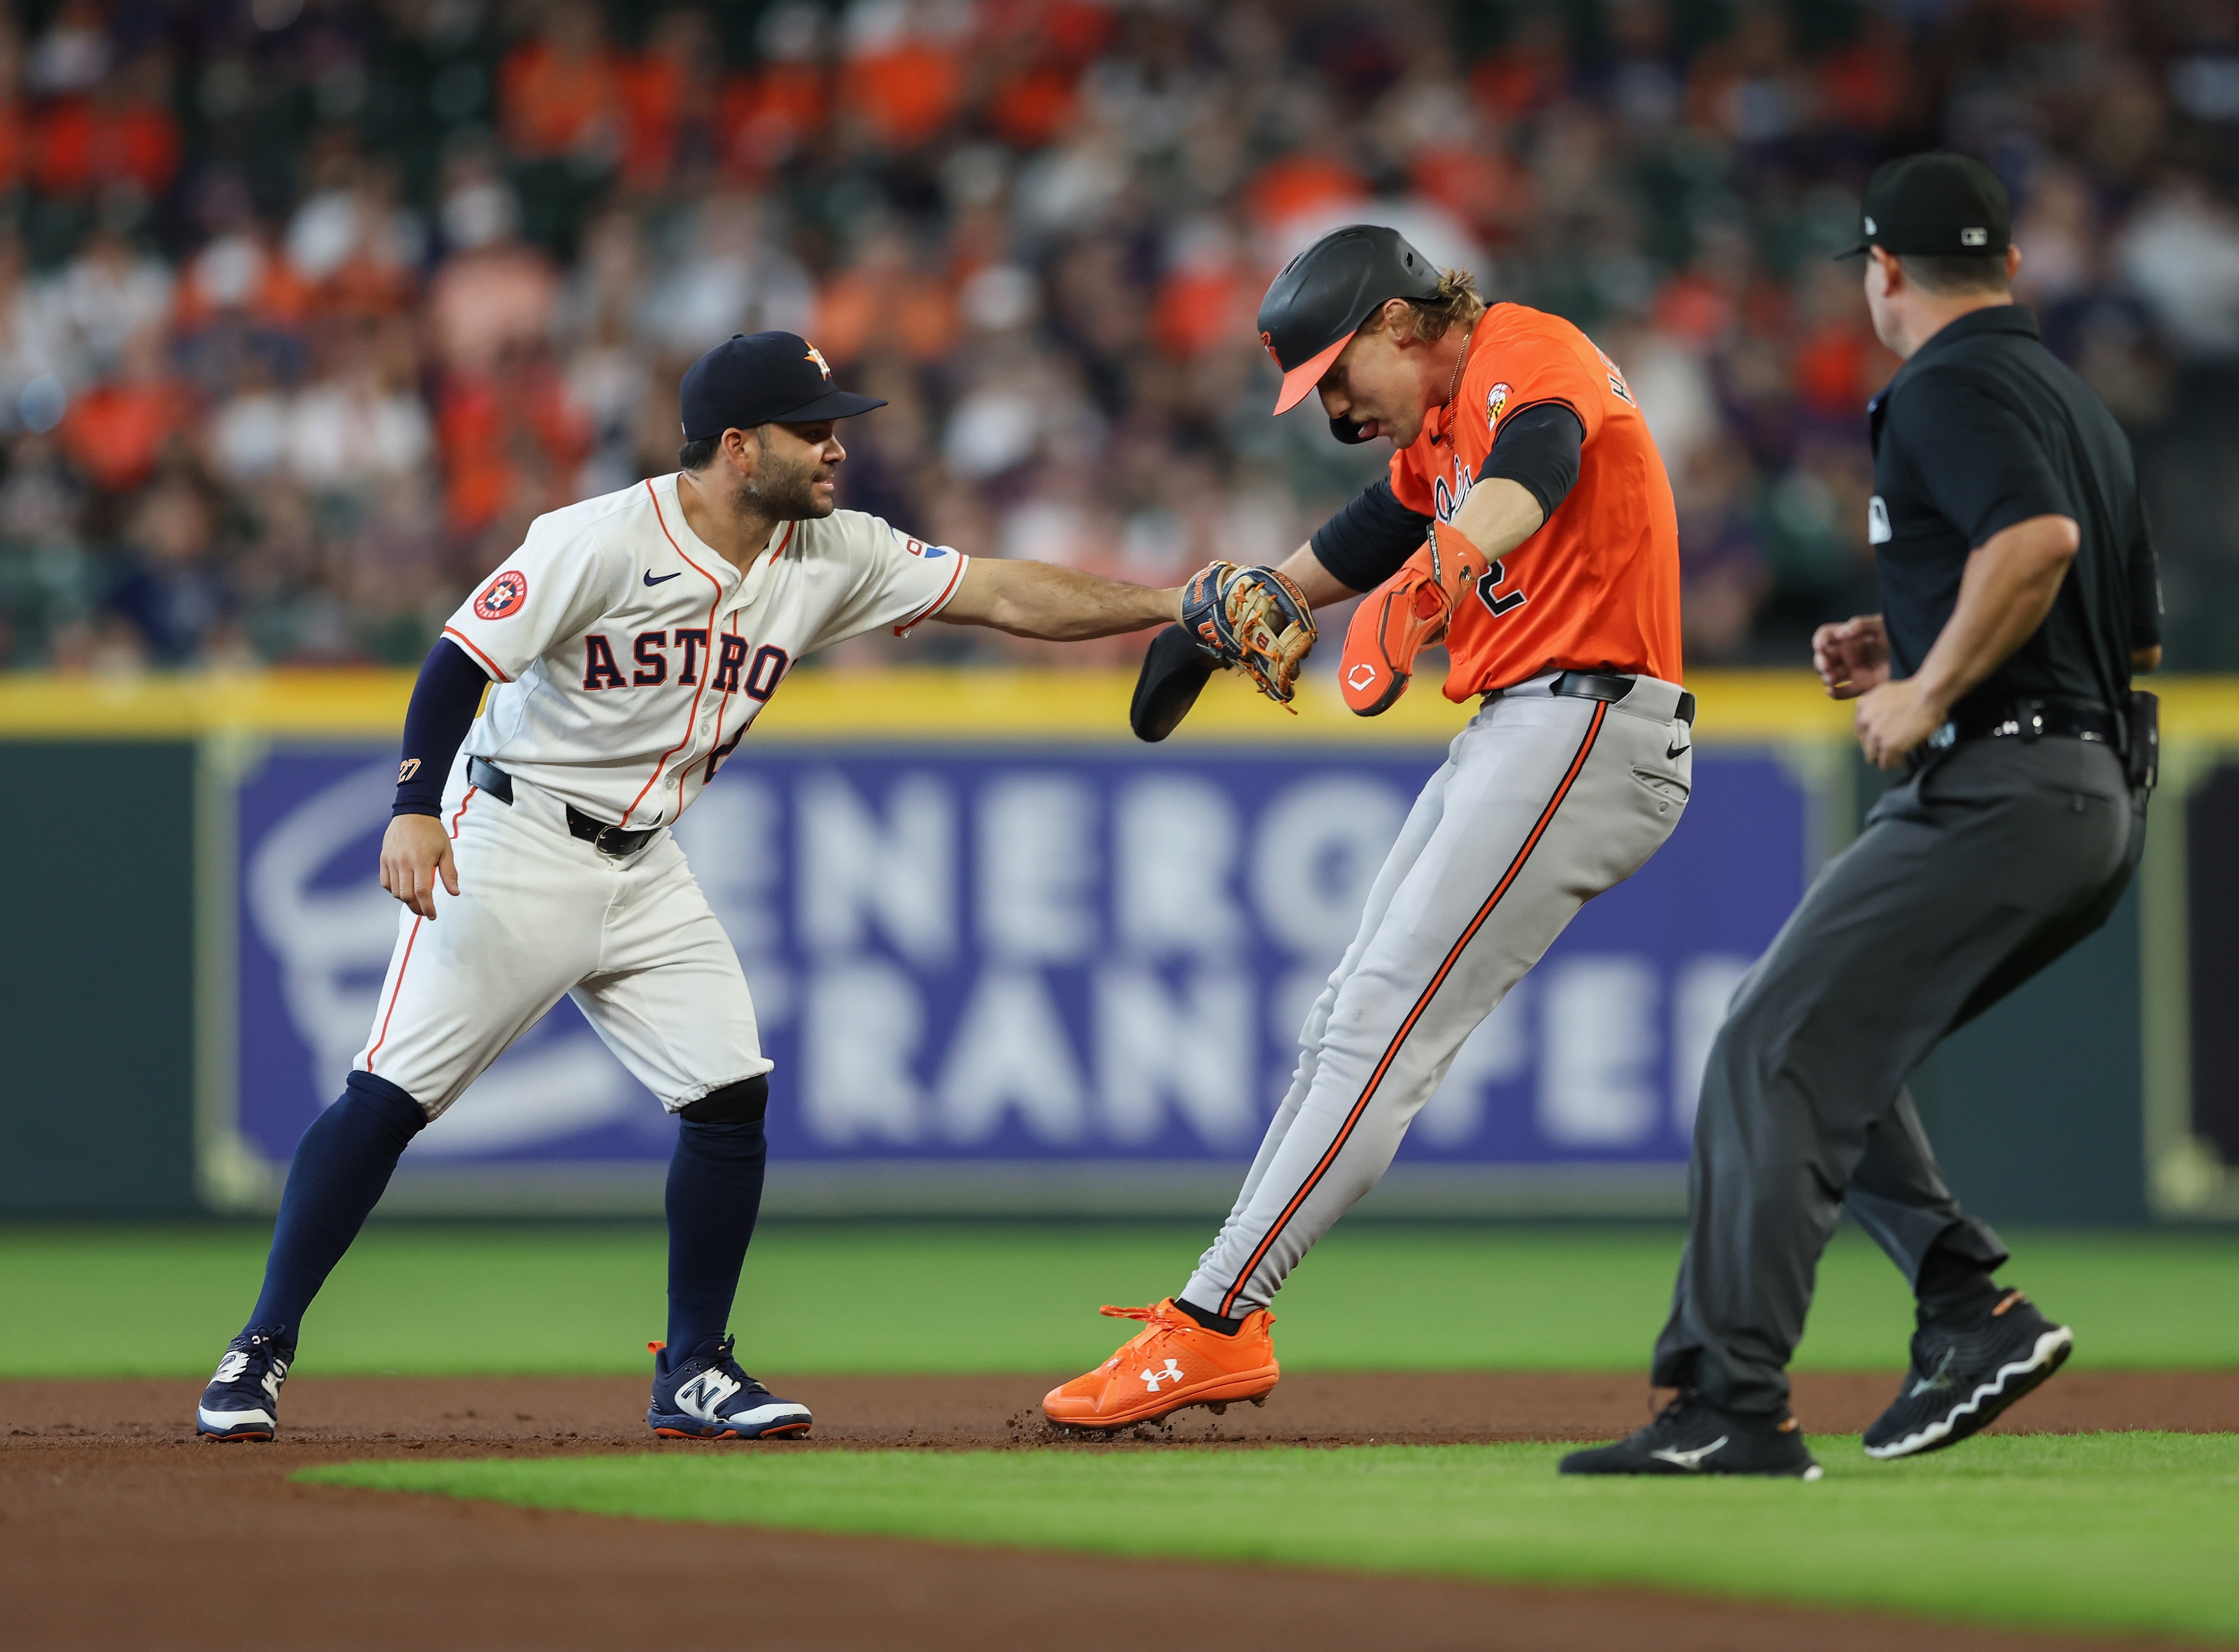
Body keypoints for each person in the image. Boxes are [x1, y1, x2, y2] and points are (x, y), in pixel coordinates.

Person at [196, 332, 1188, 1442]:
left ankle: (696, 1367)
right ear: (737, 446)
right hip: (519, 837)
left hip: (646, 860)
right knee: (390, 1099)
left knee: (728, 1097)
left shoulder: (832, 551)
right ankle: (259, 1347)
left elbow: (1003, 593)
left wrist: (1170, 601)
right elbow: (459, 658)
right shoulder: (602, 538)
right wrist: (415, 807)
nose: (834, 450)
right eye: (811, 431)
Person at [1564, 154, 2161, 1481]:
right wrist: (1908, 647)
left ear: (1885, 272)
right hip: (2090, 790)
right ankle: (1966, 1305)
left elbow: (2038, 545)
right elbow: (2086, 604)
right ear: (2004, 263)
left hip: (2004, 784)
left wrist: (1930, 686)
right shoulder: (2070, 395)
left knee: (1766, 1046)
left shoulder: (1948, 380)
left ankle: (1732, 1400)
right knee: (1827, 1046)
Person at [1042, 225, 1693, 1431]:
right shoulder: (1439, 425)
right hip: (1520, 726)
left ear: (1399, 321)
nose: (1335, 408)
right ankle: (1219, 1315)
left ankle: (1214, 1320)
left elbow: (1538, 466)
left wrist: (1432, 579)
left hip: (1590, 721)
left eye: (1339, 377)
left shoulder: (1522, 353)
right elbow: (1366, 533)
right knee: (1343, 1017)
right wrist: (1248, 602)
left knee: (1379, 1028)